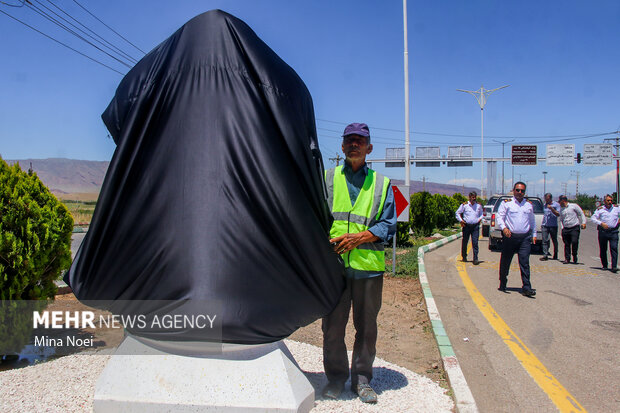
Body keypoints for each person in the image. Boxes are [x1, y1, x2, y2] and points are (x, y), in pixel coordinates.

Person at [322, 123, 397, 404]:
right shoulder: (327, 179)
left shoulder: (382, 184)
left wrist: (360, 238)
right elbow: (317, 218)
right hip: (334, 268)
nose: (354, 144)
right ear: (342, 147)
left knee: (366, 327)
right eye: (349, 140)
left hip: (368, 268)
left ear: (369, 148)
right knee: (332, 327)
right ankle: (336, 378)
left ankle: (362, 379)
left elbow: (389, 224)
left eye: (360, 140)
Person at [495, 182, 537, 297]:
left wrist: (534, 234)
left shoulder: (528, 205)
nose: (520, 193)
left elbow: (532, 221)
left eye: (522, 191)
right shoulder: (506, 204)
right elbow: (500, 216)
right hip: (510, 237)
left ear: (525, 192)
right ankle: (503, 282)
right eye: (518, 190)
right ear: (513, 190)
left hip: (524, 238)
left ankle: (527, 287)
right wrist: (504, 228)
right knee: (505, 261)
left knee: (524, 262)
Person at [591, 194, 620, 273]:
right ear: (604, 201)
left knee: (614, 248)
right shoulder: (600, 209)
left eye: (611, 200)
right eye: (608, 200)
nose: (610, 202)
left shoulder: (616, 208)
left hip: (613, 231)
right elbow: (593, 218)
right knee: (603, 249)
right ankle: (604, 265)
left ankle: (614, 266)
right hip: (603, 231)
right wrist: (601, 223)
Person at [558, 195, 587, 264]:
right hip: (566, 229)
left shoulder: (573, 206)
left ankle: (574, 255)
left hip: (574, 227)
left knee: (574, 242)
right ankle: (567, 258)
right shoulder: (561, 209)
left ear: (563, 200)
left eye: (560, 201)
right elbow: (561, 220)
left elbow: (581, 213)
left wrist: (583, 222)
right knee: (567, 244)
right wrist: (562, 228)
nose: (559, 203)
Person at [455, 192, 483, 264]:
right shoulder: (464, 205)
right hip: (466, 226)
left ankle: (475, 258)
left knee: (475, 242)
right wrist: (461, 220)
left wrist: (479, 219)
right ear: (469, 197)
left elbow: (482, 214)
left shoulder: (478, 206)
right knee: (465, 242)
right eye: (473, 197)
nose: (474, 198)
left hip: (475, 226)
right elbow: (457, 213)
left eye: (475, 197)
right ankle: (464, 256)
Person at [540, 193, 560, 261]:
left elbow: (558, 214)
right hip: (545, 225)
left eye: (547, 199)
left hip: (553, 225)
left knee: (554, 240)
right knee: (544, 240)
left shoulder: (556, 205)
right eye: (545, 199)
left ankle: (556, 253)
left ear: (551, 198)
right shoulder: (545, 205)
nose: (546, 201)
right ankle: (545, 255)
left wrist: (552, 209)